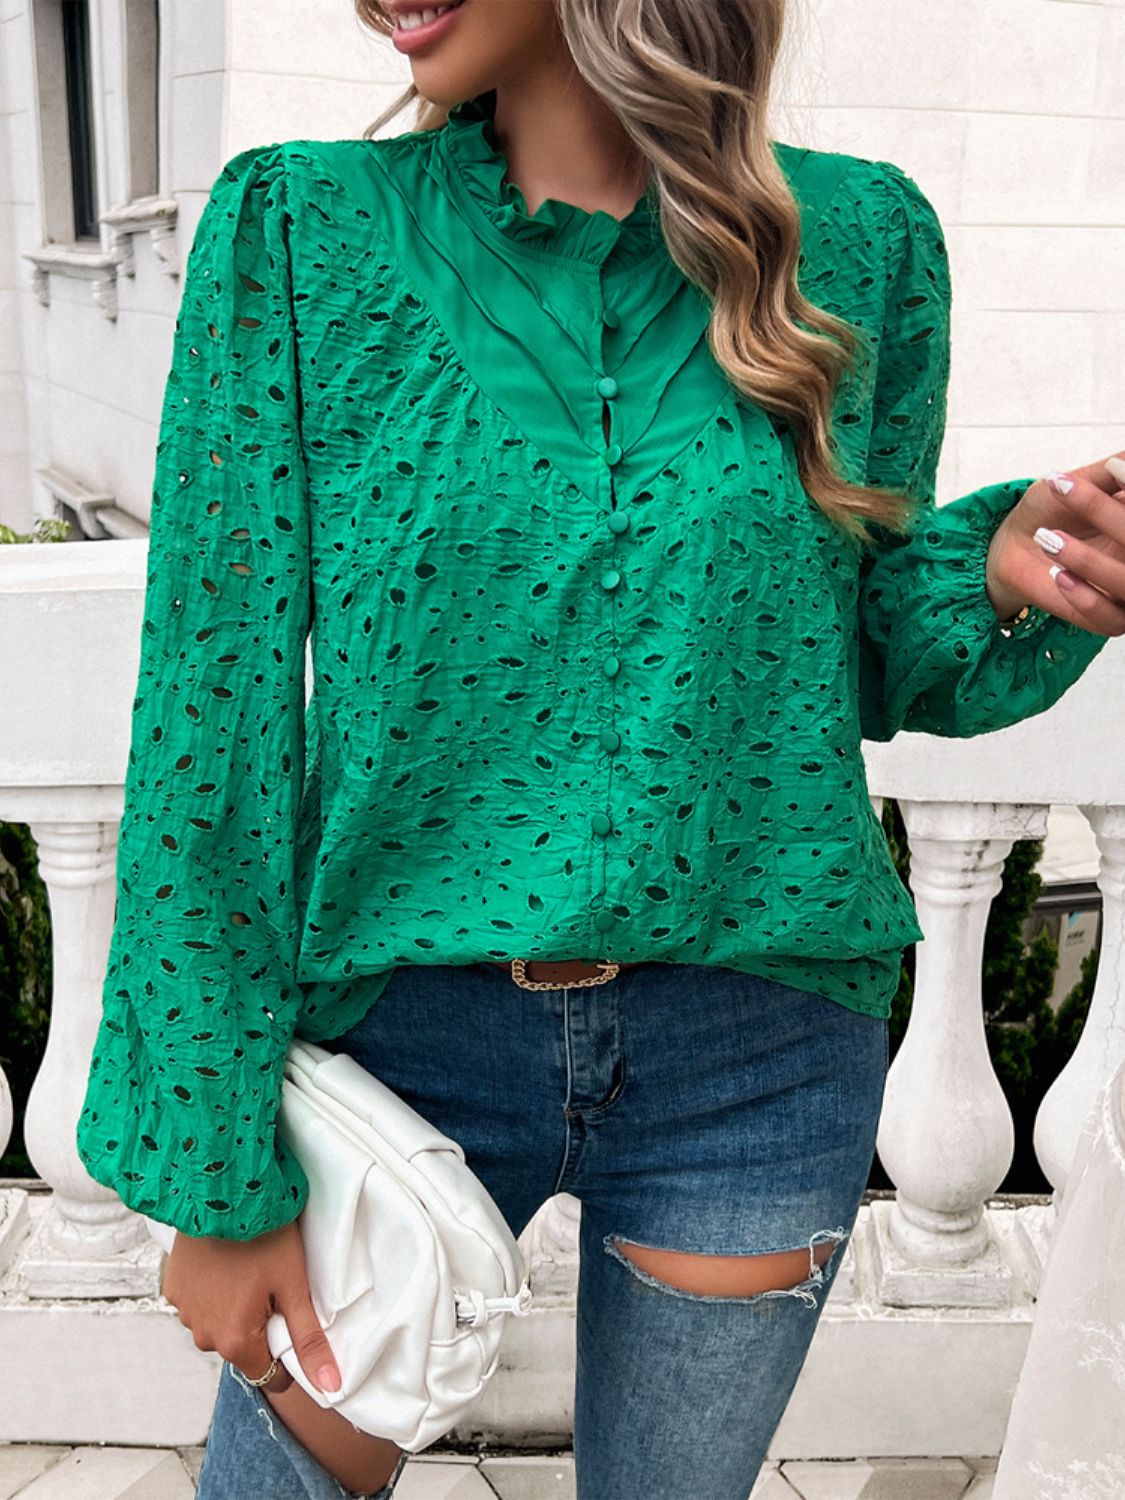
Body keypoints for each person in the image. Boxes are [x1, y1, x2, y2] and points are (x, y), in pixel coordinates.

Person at [75, 0, 1125, 1495]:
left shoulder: (866, 242)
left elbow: (845, 658)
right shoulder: (300, 232)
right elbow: (211, 715)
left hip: (755, 1051)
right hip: (396, 1041)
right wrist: (213, 1167)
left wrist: (1005, 573)